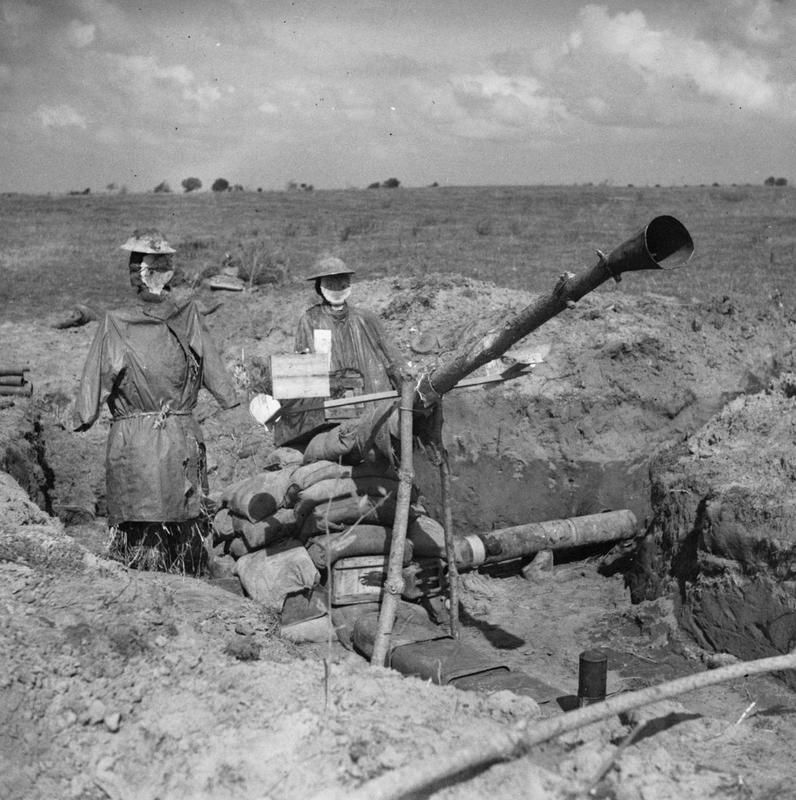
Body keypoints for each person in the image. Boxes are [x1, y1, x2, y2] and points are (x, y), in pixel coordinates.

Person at [73, 229, 239, 572]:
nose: (158, 274)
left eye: (164, 266)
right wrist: (83, 413)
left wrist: (82, 415)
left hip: (169, 434)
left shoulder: (185, 314)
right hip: (145, 439)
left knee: (182, 519)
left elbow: (211, 364)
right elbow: (97, 377)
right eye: (152, 267)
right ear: (139, 274)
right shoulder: (117, 323)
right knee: (147, 526)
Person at [273, 255, 408, 464]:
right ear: (319, 287)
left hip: (373, 402)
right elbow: (304, 369)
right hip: (332, 408)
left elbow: (391, 356)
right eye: (330, 283)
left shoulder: (366, 318)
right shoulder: (310, 320)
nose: (337, 287)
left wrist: (406, 384)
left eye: (342, 281)